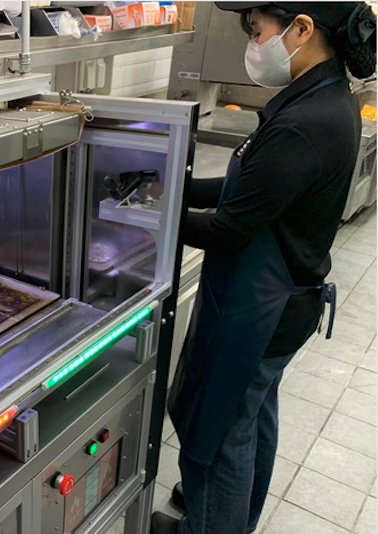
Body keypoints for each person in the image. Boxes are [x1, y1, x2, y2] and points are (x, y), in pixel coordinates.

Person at [151, 3, 376, 534]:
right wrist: (170, 187)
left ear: (302, 28)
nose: (254, 42)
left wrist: (151, 217)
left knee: (219, 440)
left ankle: (211, 525)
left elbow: (230, 228)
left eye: (258, 30)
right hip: (283, 306)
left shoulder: (304, 122)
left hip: (259, 312)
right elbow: (249, 192)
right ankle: (232, 520)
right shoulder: (318, 97)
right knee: (251, 420)